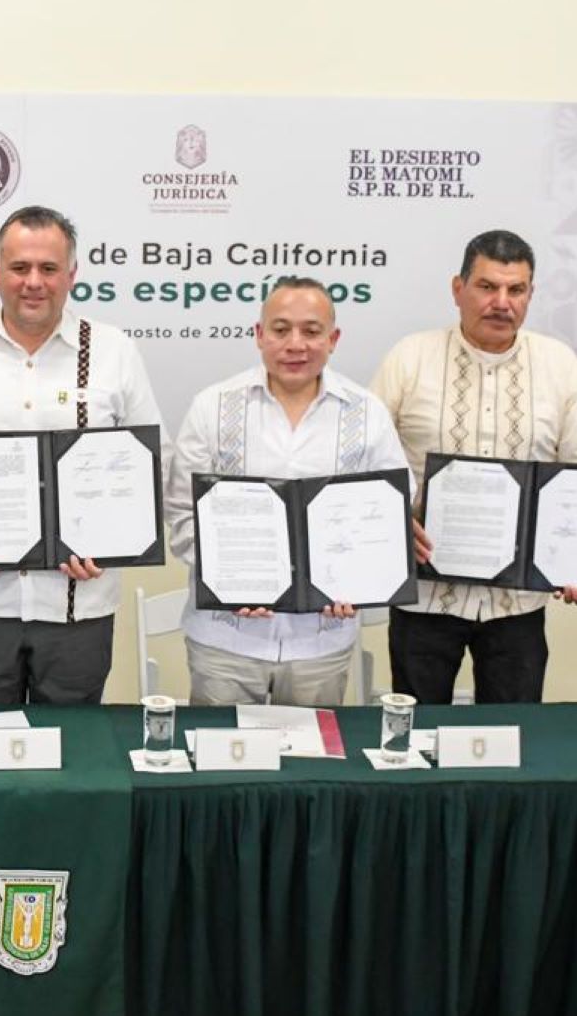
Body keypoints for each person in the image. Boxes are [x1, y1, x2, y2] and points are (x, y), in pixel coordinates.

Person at [0, 204, 166, 705]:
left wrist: (111, 539)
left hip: (79, 605)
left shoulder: (115, 352)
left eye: (49, 268)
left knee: (70, 753)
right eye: (20, 268)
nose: (34, 282)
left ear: (72, 275)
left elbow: (151, 463)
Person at [368, 229, 577, 704]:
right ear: (458, 289)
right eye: (487, 287)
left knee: (510, 739)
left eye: (516, 290)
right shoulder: (410, 357)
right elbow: (363, 460)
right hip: (425, 597)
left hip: (517, 604)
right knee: (416, 734)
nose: (502, 302)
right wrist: (395, 517)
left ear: (530, 294)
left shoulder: (559, 365)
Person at [164, 277, 409, 706]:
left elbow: (389, 519)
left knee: (312, 766)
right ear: (259, 335)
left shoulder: (367, 414)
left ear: (333, 339)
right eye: (280, 329)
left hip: (322, 644)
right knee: (222, 764)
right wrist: (230, 582)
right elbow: (183, 514)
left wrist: (362, 582)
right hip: (225, 643)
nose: (295, 344)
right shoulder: (213, 406)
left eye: (311, 331)